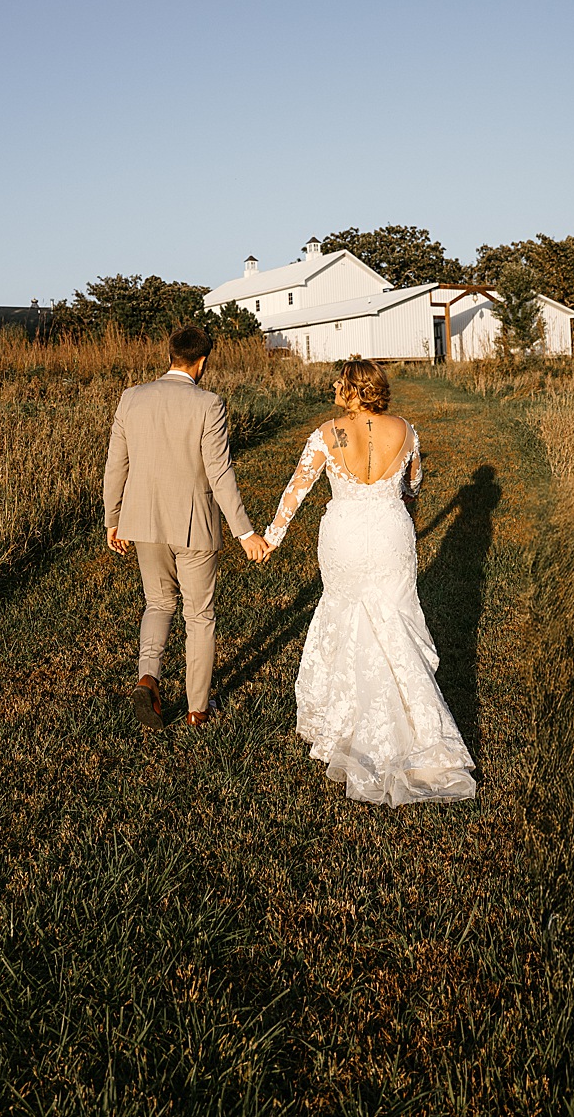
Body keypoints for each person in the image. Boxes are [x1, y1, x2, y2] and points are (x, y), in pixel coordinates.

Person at [264, 358, 476, 806]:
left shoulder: (330, 434)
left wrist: (271, 538)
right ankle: (418, 731)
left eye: (340, 382)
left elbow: (296, 489)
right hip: (389, 532)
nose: (334, 387)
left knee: (342, 613)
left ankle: (344, 724)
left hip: (343, 534)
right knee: (393, 620)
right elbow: (413, 485)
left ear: (354, 389)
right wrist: (402, 502)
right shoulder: (405, 430)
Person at [104, 324, 269, 730]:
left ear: (170, 355)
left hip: (143, 521)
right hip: (195, 525)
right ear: (202, 361)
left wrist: (113, 518)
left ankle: (148, 678)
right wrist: (244, 531)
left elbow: (116, 464)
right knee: (199, 616)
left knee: (158, 603)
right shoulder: (209, 404)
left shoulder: (131, 398)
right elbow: (219, 472)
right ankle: (197, 709)